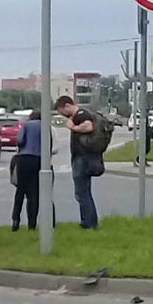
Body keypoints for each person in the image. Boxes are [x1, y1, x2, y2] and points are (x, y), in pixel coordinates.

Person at [56, 94, 99, 230]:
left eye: (62, 112)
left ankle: (88, 223)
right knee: (85, 192)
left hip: (82, 158)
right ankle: (91, 221)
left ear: (67, 106)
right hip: (84, 157)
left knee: (81, 192)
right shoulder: (81, 114)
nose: (63, 115)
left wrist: (72, 127)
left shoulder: (81, 114)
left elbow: (88, 127)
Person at [11, 110, 44, 232]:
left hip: (24, 159)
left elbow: (20, 141)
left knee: (20, 191)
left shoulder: (26, 125)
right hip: (38, 159)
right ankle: (32, 223)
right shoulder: (44, 126)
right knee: (33, 194)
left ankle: (16, 219)